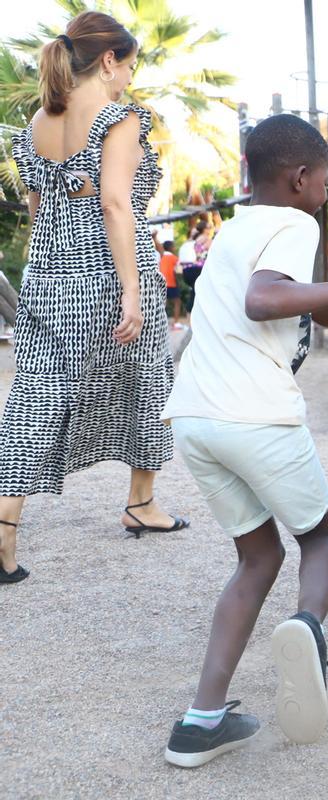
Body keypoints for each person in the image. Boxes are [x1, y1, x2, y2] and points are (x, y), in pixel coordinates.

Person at [159, 114, 328, 767]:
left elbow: (322, 309)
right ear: (301, 177)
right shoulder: (297, 222)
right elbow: (264, 298)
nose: (326, 192)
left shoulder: (234, 230)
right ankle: (306, 630)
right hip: (257, 412)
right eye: (326, 179)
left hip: (195, 416)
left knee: (256, 559)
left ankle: (200, 722)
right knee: (324, 540)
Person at [1, 12, 188, 584]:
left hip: (47, 274)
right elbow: (115, 205)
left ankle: (4, 534)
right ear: (108, 60)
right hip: (107, 273)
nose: (129, 78)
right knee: (147, 379)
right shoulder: (118, 117)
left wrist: (49, 269)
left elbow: (37, 210)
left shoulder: (38, 120)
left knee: (34, 402)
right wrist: (133, 291)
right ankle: (141, 502)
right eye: (128, 66)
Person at [158, 238, 184, 328]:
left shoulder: (161, 257)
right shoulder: (174, 258)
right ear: (171, 248)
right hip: (171, 283)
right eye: (173, 246)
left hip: (161, 283)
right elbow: (179, 271)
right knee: (177, 302)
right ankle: (176, 323)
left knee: (162, 303)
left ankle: (160, 323)